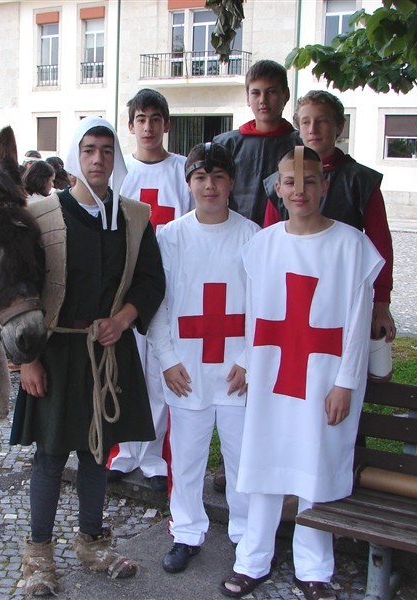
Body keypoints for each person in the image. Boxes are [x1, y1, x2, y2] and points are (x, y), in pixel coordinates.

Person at [10, 116, 165, 597]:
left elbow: (150, 280)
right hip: (54, 352)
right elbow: (20, 290)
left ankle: (92, 542)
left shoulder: (134, 217)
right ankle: (37, 557)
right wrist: (26, 359)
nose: (98, 159)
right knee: (52, 456)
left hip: (108, 352)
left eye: (105, 149)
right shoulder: (42, 215)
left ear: (114, 156)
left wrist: (123, 320)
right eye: (89, 149)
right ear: (77, 157)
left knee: (98, 453)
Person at [219, 147, 383, 600]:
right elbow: (255, 315)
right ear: (278, 188)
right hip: (274, 375)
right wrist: (250, 362)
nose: (300, 190)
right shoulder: (263, 245)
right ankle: (253, 559)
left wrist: (346, 383)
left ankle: (314, 568)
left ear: (324, 186)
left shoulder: (351, 246)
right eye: (291, 182)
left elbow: (356, 320)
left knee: (315, 464)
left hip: (324, 377)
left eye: (310, 181)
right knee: (267, 463)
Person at [147, 142, 257, 574]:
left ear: (231, 182)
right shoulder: (171, 236)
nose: (209, 186)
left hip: (235, 372)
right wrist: (168, 359)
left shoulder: (252, 236)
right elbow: (159, 305)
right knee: (187, 459)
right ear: (189, 183)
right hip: (188, 368)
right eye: (200, 178)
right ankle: (187, 532)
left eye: (217, 177)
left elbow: (265, 305)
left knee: (241, 458)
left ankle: (247, 536)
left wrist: (249, 358)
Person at [107, 87, 193, 492]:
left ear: (166, 125)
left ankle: (155, 455)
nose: (148, 127)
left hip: (171, 286)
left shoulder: (182, 172)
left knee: (160, 373)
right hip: (128, 288)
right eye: (140, 119)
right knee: (128, 370)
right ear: (130, 126)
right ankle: (125, 453)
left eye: (155, 119)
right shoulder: (119, 175)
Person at [263, 90, 395, 342]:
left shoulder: (360, 181)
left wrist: (381, 302)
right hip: (292, 293)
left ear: (339, 126)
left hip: (343, 291)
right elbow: (269, 245)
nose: (313, 129)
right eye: (305, 121)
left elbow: (380, 246)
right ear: (297, 127)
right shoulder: (279, 183)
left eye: (322, 120)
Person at [214, 59, 301, 227]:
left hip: (286, 236)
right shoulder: (227, 144)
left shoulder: (300, 146)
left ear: (286, 95)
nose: (263, 100)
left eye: (271, 92)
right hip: (237, 234)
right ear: (247, 97)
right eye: (256, 93)